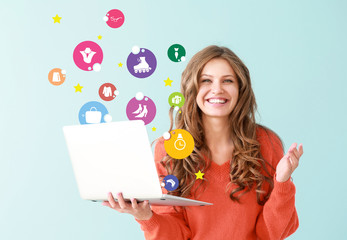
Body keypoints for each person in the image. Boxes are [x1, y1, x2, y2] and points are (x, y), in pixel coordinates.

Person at [102, 45, 304, 240]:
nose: (217, 90)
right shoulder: (168, 149)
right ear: (192, 88)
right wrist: (146, 217)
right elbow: (175, 235)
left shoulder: (266, 143)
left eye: (228, 81)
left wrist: (283, 181)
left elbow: (271, 233)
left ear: (240, 89)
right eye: (206, 80)